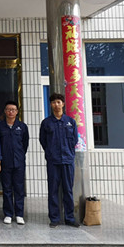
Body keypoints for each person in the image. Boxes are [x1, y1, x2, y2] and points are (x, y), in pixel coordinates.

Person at [39, 93, 80, 228]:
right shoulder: (46, 123)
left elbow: (74, 139)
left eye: (58, 102)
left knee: (68, 189)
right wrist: (51, 152)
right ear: (50, 105)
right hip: (53, 161)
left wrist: (68, 152)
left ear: (63, 104)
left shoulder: (70, 122)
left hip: (67, 160)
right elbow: (43, 141)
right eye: (53, 102)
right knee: (53, 190)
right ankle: (54, 218)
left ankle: (69, 217)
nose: (56, 105)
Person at [0, 100, 29, 225]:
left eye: (13, 110)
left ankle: (19, 214)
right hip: (5, 162)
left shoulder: (22, 126)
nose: (11, 112)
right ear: (5, 111)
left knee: (19, 189)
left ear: (17, 112)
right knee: (7, 188)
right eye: (8, 110)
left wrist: (19, 155)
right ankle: (8, 214)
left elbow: (25, 144)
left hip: (19, 162)